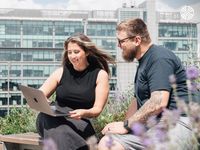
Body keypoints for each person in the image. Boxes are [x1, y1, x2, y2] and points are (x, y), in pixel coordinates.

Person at [98, 18, 198, 150]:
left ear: (137, 40)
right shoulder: (143, 64)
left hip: (179, 122)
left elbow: (159, 102)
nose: (118, 45)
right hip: (157, 125)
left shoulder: (159, 57)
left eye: (121, 41)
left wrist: (126, 126)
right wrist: (124, 126)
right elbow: (136, 102)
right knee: (108, 143)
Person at [36, 33, 114, 150]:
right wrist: (44, 102)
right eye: (69, 52)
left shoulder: (100, 75)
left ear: (87, 52)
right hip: (54, 118)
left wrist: (83, 112)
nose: (72, 56)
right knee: (46, 118)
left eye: (76, 52)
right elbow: (40, 93)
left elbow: (97, 109)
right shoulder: (61, 72)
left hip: (80, 122)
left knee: (59, 132)